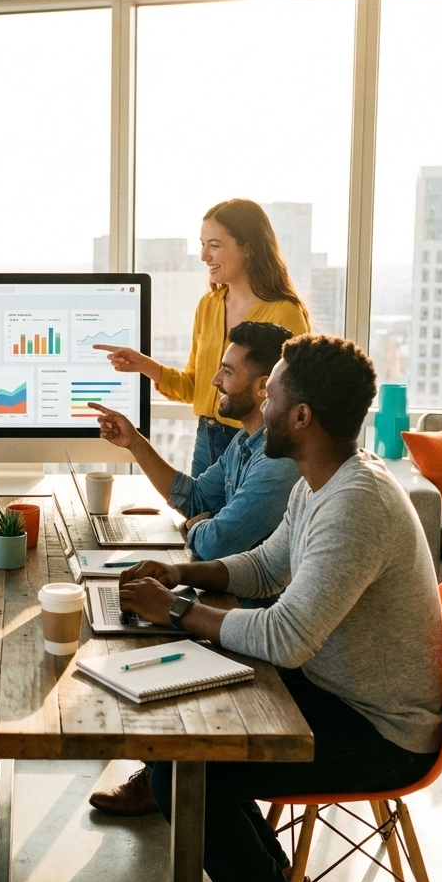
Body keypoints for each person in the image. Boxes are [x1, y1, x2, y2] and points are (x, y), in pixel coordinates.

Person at [116, 335, 442, 882]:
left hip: (380, 731)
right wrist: (185, 576)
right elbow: (269, 567)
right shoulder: (325, 476)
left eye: (269, 396)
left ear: (300, 415)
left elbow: (287, 637)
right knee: (188, 731)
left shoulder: (355, 503)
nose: (260, 408)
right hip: (334, 687)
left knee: (184, 774)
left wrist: (174, 610)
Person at [86, 321, 301, 816]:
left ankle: (168, 770)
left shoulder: (278, 464)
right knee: (137, 615)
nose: (215, 381)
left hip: (252, 620)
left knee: (149, 634)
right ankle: (163, 768)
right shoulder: (244, 445)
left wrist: (197, 534)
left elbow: (216, 538)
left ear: (264, 386)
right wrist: (136, 443)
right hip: (243, 597)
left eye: (226, 371)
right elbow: (196, 500)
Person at [95, 199, 309, 477]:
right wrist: (143, 364)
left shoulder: (286, 312)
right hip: (206, 439)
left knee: (237, 521)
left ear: (248, 247)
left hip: (257, 444)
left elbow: (295, 398)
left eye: (214, 245)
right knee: (196, 517)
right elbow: (195, 387)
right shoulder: (208, 306)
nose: (204, 256)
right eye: (202, 244)